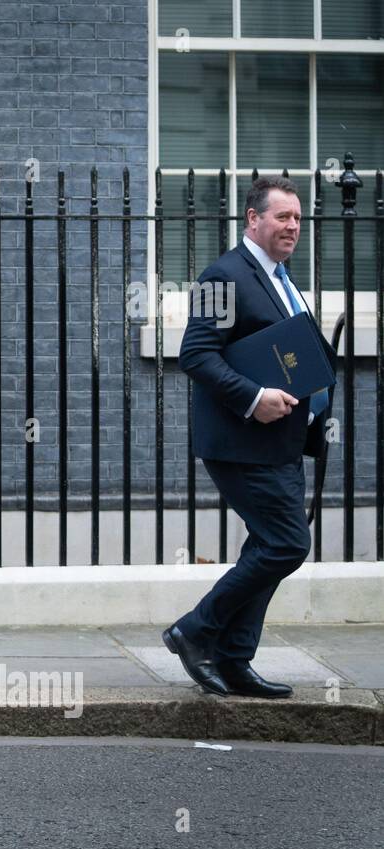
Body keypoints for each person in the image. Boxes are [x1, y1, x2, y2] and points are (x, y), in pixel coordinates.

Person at [165, 176, 335, 697]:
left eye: (298, 219)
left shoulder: (280, 277)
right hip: (240, 444)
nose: (292, 227)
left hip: (280, 443)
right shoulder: (223, 274)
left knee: (268, 545)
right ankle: (193, 631)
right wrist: (253, 397)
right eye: (282, 217)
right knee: (287, 543)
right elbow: (195, 354)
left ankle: (235, 659)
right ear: (252, 219)